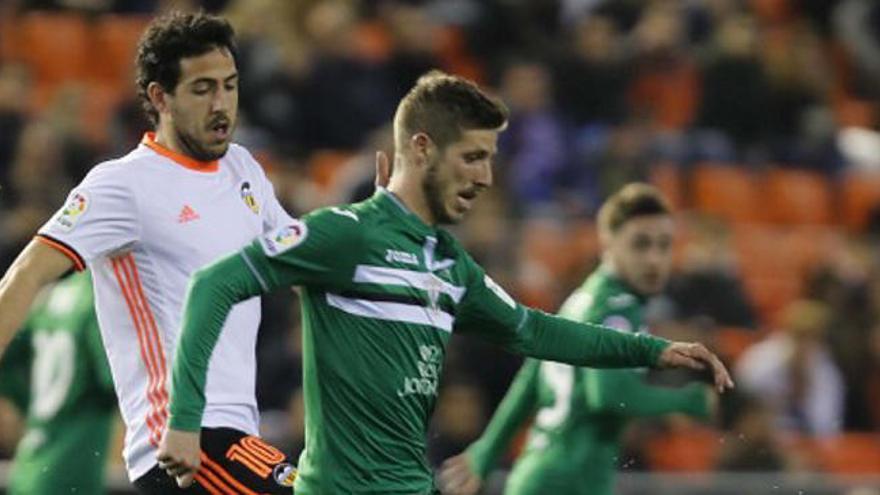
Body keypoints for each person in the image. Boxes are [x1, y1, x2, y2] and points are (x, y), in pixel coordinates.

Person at [159, 71, 733, 494]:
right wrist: (185, 420)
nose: (486, 177)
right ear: (422, 148)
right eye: (473, 157)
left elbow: (535, 332)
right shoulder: (348, 235)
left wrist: (658, 350)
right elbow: (214, 284)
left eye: (490, 159)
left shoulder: (449, 262)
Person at [0, 11, 307, 494]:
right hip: (183, 442)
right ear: (160, 97)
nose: (222, 104)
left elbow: (304, 257)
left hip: (235, 435)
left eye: (229, 85)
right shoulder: (123, 184)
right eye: (203, 89)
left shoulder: (244, 169)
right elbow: (27, 275)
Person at [439, 183, 719, 495]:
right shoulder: (618, 308)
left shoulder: (580, 300)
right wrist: (685, 400)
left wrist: (488, 450)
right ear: (608, 244)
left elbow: (530, 379)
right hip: (571, 479)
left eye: (663, 245)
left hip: (540, 474)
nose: (654, 259)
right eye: (640, 244)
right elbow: (609, 395)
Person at [0, 271, 116, 494]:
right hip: (71, 469)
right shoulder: (100, 297)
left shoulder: (50, 297)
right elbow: (116, 382)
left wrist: (28, 405)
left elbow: (7, 361)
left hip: (29, 463)